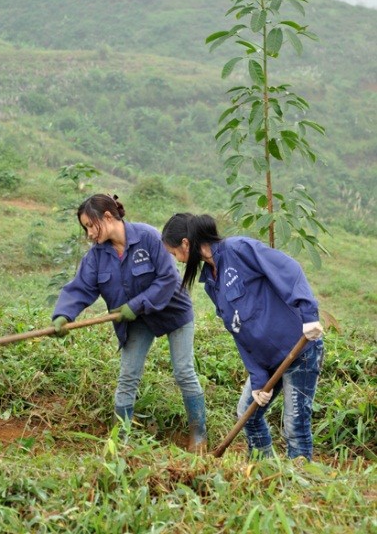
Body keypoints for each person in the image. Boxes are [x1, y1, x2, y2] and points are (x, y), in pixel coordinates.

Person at [161, 213, 324, 461]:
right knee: (248, 415)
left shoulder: (238, 250)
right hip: (268, 362)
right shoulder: (210, 282)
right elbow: (238, 331)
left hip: (298, 351)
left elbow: (288, 268)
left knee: (295, 427)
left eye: (175, 253)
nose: (178, 260)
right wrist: (258, 379)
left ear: (185, 243)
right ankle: (263, 470)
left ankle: (299, 487)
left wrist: (309, 313)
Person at [51, 194, 207, 452]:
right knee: (127, 377)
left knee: (183, 371)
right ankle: (119, 442)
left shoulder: (148, 237)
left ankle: (198, 435)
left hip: (173, 312)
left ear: (109, 217)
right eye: (86, 228)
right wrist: (64, 314)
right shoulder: (97, 257)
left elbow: (168, 278)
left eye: (91, 225)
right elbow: (80, 288)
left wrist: (134, 305)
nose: (89, 233)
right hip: (135, 321)